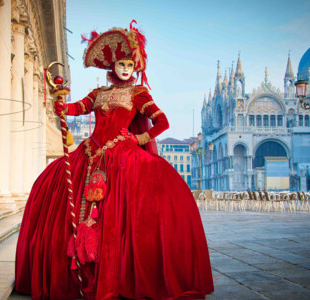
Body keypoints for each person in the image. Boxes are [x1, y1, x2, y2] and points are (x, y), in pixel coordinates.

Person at [15, 21, 214, 300]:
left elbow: (162, 121)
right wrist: (60, 104)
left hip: (123, 157)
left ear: (136, 67)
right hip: (89, 152)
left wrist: (139, 140)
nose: (125, 69)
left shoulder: (138, 94)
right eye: (121, 63)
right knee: (49, 185)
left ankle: (118, 276)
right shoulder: (98, 93)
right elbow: (76, 108)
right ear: (112, 66)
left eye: (130, 65)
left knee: (127, 212)